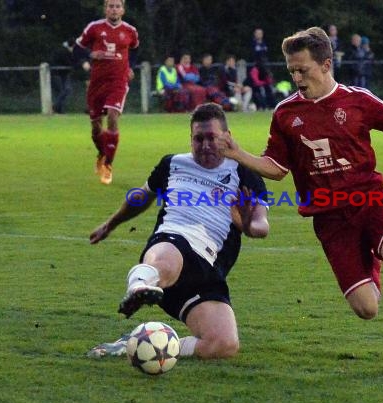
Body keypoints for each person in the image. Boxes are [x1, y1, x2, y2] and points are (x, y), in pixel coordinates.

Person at [216, 27, 383, 373]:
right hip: (329, 217)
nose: (296, 78)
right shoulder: (285, 114)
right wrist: (238, 154)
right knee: (367, 308)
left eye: (303, 70)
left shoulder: (359, 100)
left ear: (326, 65)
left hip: (370, 201)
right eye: (291, 71)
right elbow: (277, 168)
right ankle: (371, 259)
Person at [88, 103, 270, 359]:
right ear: (190, 139)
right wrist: (111, 224)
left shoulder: (244, 173)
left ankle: (137, 343)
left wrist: (249, 221)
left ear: (227, 138)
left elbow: (262, 226)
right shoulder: (173, 163)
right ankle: (140, 284)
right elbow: (142, 196)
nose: (205, 145)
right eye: (199, 139)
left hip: (207, 271)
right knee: (169, 259)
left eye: (212, 138)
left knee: (223, 344)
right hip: (173, 241)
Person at [76, 0, 139, 185]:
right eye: (111, 6)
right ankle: (102, 153)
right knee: (96, 127)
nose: (114, 9)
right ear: (105, 9)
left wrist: (130, 67)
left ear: (123, 10)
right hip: (97, 83)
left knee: (113, 116)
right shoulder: (94, 28)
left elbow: (135, 50)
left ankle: (108, 165)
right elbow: (77, 50)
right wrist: (89, 57)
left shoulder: (130, 31)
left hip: (118, 82)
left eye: (117, 6)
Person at [50, 39, 75, 114]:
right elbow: (68, 62)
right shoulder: (63, 51)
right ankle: (55, 107)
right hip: (57, 74)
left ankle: (59, 110)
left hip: (62, 74)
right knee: (65, 90)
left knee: (63, 91)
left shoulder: (63, 50)